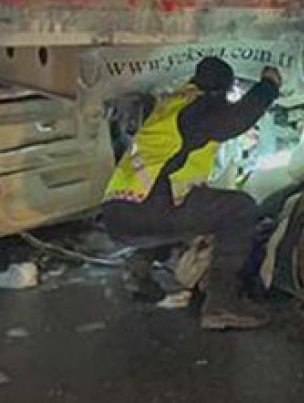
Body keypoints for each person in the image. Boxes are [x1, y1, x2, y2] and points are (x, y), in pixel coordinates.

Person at [102, 56, 281, 330]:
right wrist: (268, 86)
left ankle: (140, 275)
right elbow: (236, 120)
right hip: (152, 205)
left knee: (186, 214)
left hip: (117, 213)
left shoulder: (172, 103)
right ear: (221, 88)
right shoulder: (202, 106)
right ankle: (222, 304)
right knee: (240, 208)